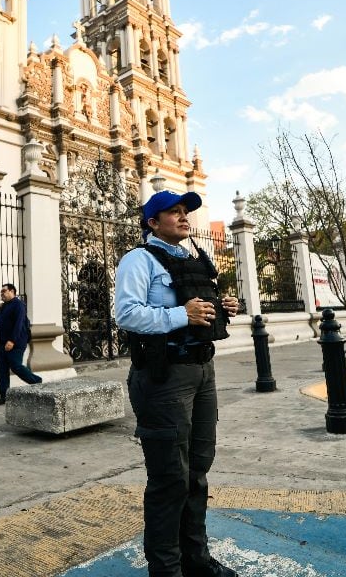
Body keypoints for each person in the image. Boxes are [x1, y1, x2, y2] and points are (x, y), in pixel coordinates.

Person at [115, 190, 240, 577]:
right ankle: (166, 570)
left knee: (198, 471)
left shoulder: (198, 257)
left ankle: (196, 560)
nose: (183, 217)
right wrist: (179, 315)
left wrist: (222, 307)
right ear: (152, 223)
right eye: (173, 212)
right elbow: (128, 314)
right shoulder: (139, 260)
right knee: (170, 477)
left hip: (203, 372)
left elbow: (198, 308)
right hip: (164, 377)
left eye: (185, 211)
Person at [0, 283, 42, 406]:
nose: (2, 293)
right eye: (1, 291)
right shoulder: (3, 306)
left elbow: (19, 324)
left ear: (12, 291)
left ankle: (37, 381)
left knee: (16, 366)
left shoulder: (18, 305)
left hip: (15, 342)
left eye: (4, 291)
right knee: (1, 369)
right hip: (2, 343)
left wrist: (12, 341)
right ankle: (4, 396)